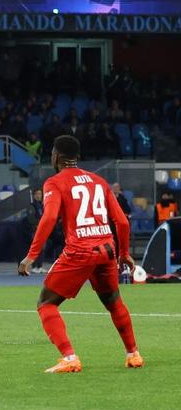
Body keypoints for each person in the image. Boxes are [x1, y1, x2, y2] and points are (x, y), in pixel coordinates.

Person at [18, 135, 142, 373]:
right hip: (107, 250)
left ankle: (69, 357)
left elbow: (49, 218)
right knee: (114, 302)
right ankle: (133, 354)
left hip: (80, 251)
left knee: (46, 304)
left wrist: (31, 255)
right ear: (77, 156)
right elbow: (122, 222)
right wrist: (124, 253)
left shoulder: (55, 182)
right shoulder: (99, 181)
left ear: (56, 156)